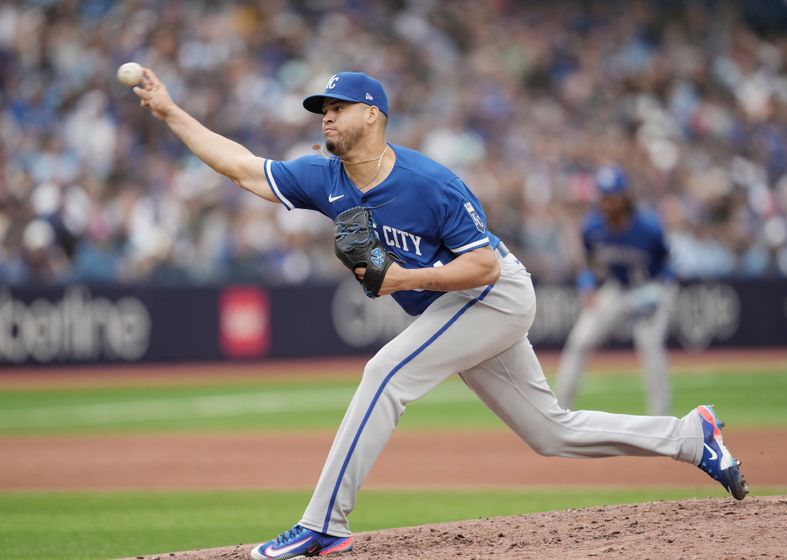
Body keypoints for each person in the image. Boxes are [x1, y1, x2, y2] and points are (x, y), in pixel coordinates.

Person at [132, 69, 748, 560]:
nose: (326, 115)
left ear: (371, 113)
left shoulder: (430, 182)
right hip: (462, 306)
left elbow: (483, 266)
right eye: (322, 108)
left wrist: (406, 278)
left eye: (337, 106)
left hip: (495, 294)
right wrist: (169, 111)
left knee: (384, 374)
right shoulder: (325, 179)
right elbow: (240, 166)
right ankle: (692, 436)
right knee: (551, 432)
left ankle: (323, 524)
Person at [555, 165, 676, 416]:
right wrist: (587, 286)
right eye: (604, 196)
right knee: (580, 341)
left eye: (614, 196)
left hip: (650, 290)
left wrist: (658, 293)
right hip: (618, 290)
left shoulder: (649, 228)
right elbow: (588, 265)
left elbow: (667, 266)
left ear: (625, 196)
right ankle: (559, 411)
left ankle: (660, 417)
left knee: (650, 346)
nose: (609, 202)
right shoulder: (593, 227)